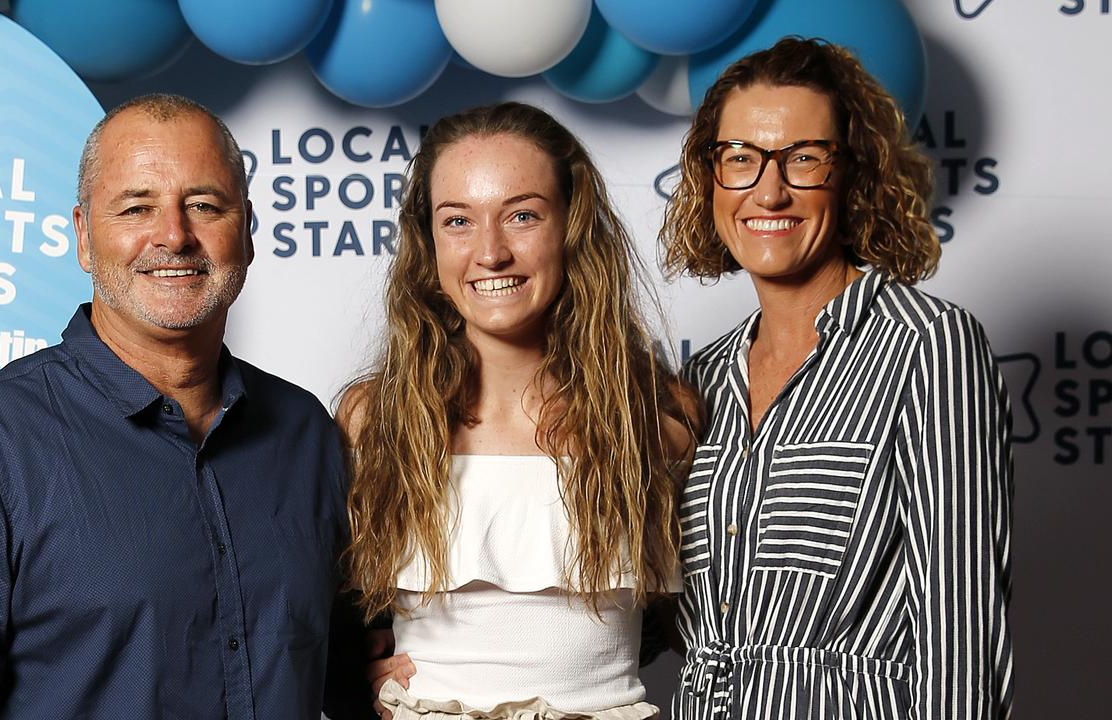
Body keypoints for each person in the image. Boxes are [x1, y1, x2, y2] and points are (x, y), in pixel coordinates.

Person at [0, 94, 368, 719]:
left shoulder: (307, 433)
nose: (174, 236)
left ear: (247, 230)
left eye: (204, 206)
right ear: (83, 236)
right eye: (136, 208)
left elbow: (347, 672)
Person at [658, 38, 1014, 719]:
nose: (769, 189)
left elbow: (964, 641)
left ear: (853, 174)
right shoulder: (699, 379)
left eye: (803, 158)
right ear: (711, 178)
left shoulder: (927, 347)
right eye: (740, 158)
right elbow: (664, 622)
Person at [337, 101, 700, 720]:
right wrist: (340, 669)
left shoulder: (654, 417)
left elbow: (705, 629)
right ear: (427, 243)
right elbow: (311, 610)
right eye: (457, 221)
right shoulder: (375, 419)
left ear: (572, 227)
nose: (491, 252)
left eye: (523, 216)